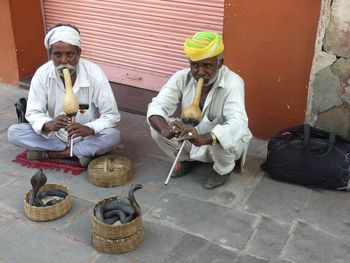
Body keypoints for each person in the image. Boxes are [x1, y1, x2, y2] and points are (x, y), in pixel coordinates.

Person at [147, 31, 252, 189]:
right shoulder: (181, 77)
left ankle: (223, 170)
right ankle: (186, 159)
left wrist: (204, 138)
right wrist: (164, 130)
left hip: (216, 144)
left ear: (220, 63)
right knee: (156, 127)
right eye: (195, 65)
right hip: (190, 137)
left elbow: (238, 123)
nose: (200, 72)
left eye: (207, 66)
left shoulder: (233, 83)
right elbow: (157, 106)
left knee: (222, 135)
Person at [7, 23, 121, 167]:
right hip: (53, 137)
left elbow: (111, 115)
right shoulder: (42, 74)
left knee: (113, 136)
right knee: (14, 132)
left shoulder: (94, 73)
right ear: (50, 55)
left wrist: (90, 128)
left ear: (79, 53)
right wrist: (48, 124)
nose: (63, 61)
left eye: (70, 54)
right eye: (57, 55)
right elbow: (34, 112)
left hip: (84, 135)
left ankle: (52, 154)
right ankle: (81, 153)